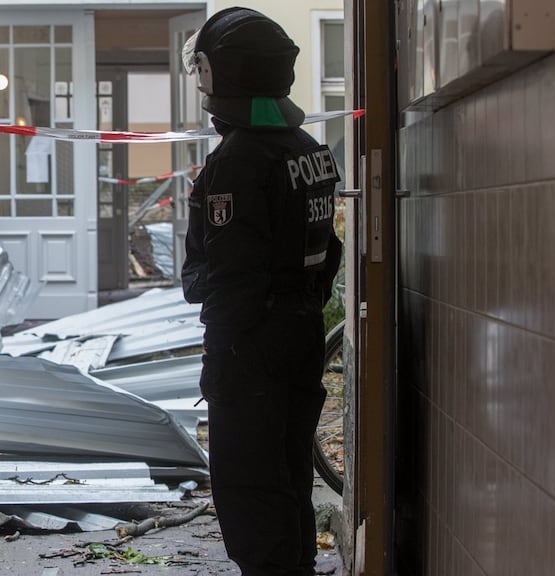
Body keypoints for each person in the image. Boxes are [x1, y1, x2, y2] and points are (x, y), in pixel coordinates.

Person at [180, 7, 342, 576]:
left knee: (250, 488)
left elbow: (228, 277)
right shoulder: (308, 149)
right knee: (290, 475)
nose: (202, 83)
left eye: (203, 69)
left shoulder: (238, 162)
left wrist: (221, 356)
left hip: (250, 351)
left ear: (226, 74)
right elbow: (329, 255)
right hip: (300, 334)